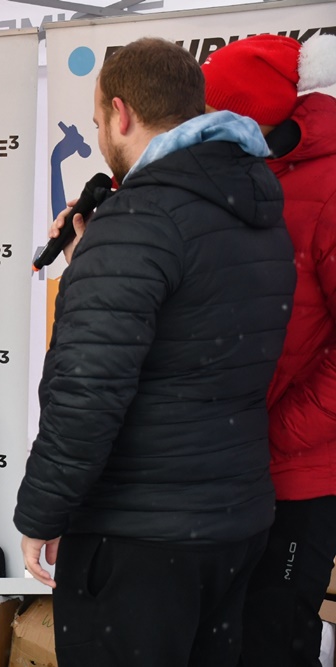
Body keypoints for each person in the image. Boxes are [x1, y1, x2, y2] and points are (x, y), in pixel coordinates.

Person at [13, 37, 296, 667]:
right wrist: (94, 261)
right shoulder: (253, 208)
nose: (98, 137)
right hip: (232, 522)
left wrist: (42, 512)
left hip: (140, 540)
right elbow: (194, 334)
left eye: (95, 123)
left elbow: (86, 395)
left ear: (121, 113)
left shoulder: (139, 220)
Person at [201, 33, 336, 667]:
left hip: (299, 475)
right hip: (228, 468)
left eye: (212, 114)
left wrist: (277, 433)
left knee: (275, 640)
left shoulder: (329, 186)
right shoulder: (235, 176)